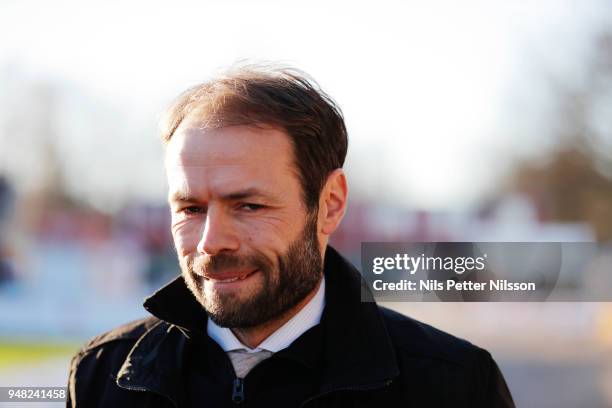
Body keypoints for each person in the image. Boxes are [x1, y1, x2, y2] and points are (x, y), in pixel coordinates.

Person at [66, 64, 514, 407]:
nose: (210, 242)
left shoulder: (453, 385)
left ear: (330, 204)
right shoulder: (100, 378)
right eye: (191, 209)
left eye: (249, 206)